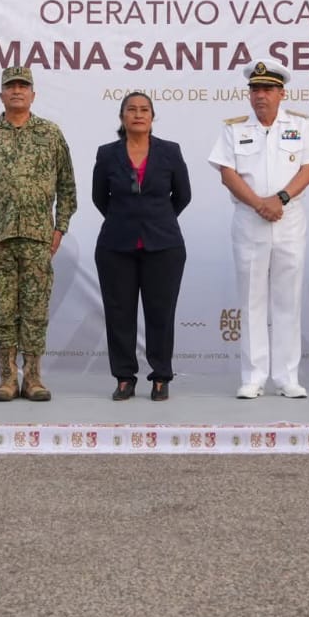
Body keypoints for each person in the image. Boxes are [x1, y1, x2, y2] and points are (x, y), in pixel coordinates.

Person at [211, 61, 309, 399]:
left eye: (267, 89)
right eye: (255, 89)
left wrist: (280, 199)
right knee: (251, 299)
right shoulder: (234, 129)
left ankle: (287, 377)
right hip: (249, 219)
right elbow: (227, 173)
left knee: (288, 298)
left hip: (289, 218)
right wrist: (259, 203)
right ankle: (253, 376)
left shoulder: (301, 125)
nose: (260, 95)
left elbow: (308, 170)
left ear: (281, 93)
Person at [0, 65, 77, 402]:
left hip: (38, 239)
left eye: (23, 86)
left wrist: (60, 228)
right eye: (11, 86)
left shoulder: (50, 134)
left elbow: (67, 186)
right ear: (1, 94)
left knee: (35, 312)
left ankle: (34, 378)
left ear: (32, 94)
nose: (17, 91)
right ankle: (7, 378)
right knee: (2, 312)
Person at [92, 90, 191, 402]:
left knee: (160, 313)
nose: (138, 114)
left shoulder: (170, 151)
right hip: (116, 245)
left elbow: (183, 195)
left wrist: (156, 219)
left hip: (163, 245)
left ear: (152, 116)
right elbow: (99, 197)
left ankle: (161, 377)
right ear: (122, 117)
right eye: (131, 109)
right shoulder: (107, 154)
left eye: (144, 109)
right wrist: (126, 220)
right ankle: (124, 377)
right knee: (119, 313)